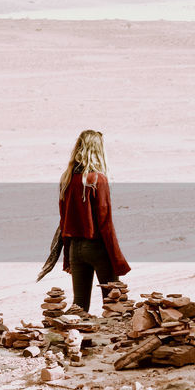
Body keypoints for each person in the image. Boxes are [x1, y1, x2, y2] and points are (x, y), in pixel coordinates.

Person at [52, 130, 130, 312]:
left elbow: (64, 222)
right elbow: (105, 224)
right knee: (113, 303)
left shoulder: (68, 179)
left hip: (75, 249)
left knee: (79, 305)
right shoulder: (97, 180)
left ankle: (78, 340)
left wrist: (67, 259)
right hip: (97, 247)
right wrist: (117, 259)